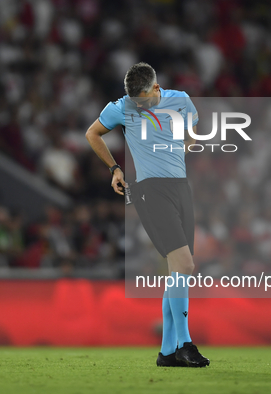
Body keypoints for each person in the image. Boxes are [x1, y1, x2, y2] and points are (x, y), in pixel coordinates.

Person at [85, 62, 209, 367]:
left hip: (180, 188)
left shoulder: (179, 99)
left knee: (178, 271)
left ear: (156, 88)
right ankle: (185, 343)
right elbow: (93, 133)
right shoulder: (121, 106)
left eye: (143, 100)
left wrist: (187, 143)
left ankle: (167, 352)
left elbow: (194, 126)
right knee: (185, 264)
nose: (138, 106)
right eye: (135, 102)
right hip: (148, 191)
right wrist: (114, 169)